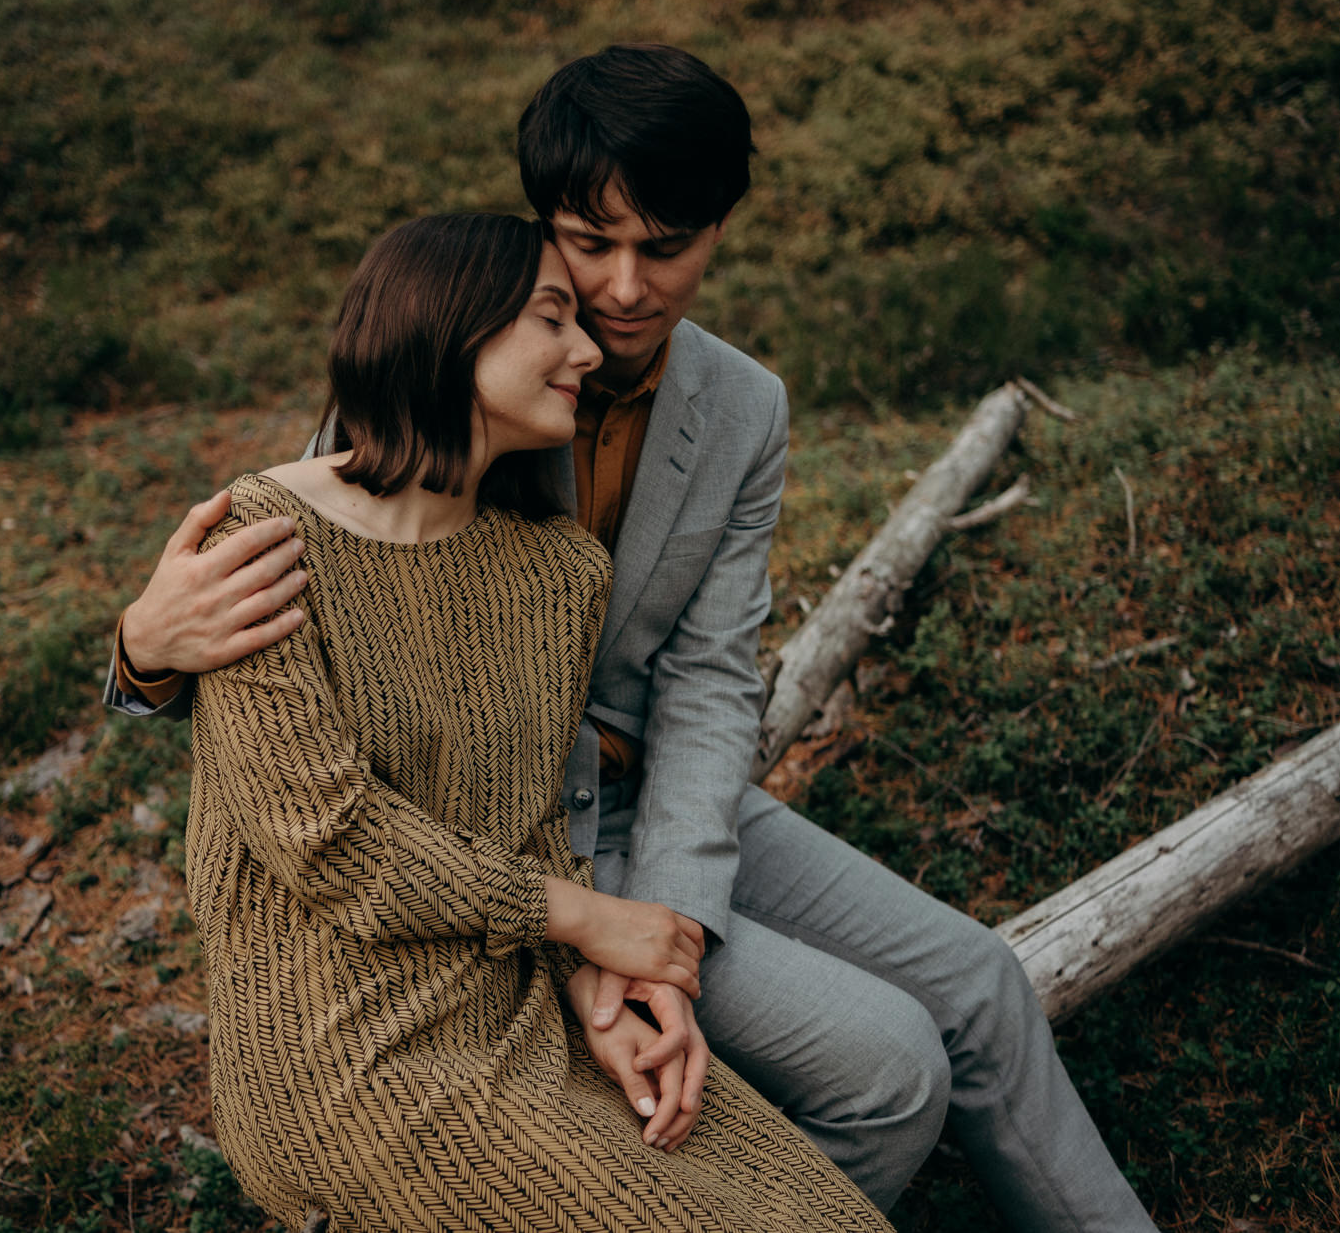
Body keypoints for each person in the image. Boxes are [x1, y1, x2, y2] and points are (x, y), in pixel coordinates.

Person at [109, 45, 1157, 1232]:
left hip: (648, 795)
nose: (622, 287)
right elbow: (323, 616)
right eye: (587, 242)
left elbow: (713, 679)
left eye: (666, 246)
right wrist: (144, 651)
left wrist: (669, 923)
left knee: (981, 983)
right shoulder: (451, 354)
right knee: (890, 1058)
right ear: (540, 221)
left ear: (718, 230)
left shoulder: (745, 406)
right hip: (482, 822)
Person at [183, 211, 890, 1232]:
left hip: (519, 1019)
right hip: (343, 1051)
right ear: (455, 329)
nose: (591, 350)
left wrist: (606, 996)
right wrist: (586, 918)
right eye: (553, 318)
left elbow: (533, 826)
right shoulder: (260, 537)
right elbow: (328, 840)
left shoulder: (560, 574)